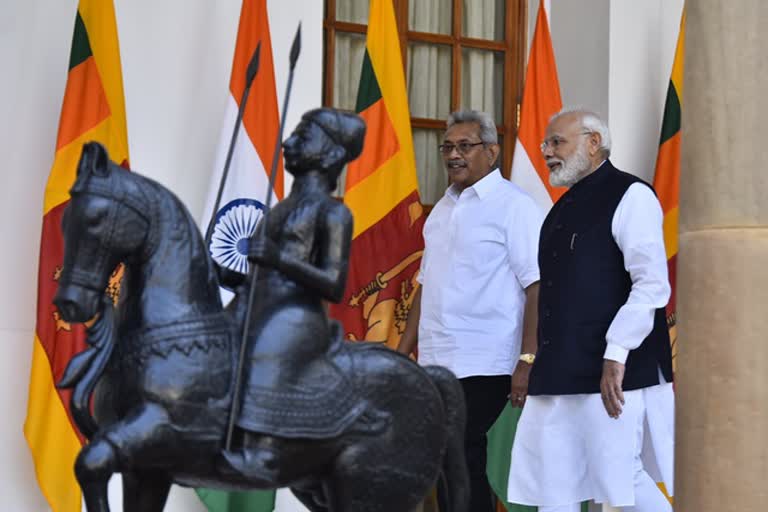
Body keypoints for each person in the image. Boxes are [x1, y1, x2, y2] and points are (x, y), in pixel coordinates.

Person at [506, 107, 675, 512]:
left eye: (556, 142)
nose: (545, 150)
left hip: (613, 371)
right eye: (545, 143)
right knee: (554, 483)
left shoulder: (631, 195)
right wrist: (532, 359)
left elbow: (651, 284)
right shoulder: (560, 208)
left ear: (593, 143)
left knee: (621, 478)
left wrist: (616, 353)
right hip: (559, 369)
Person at [397, 110, 543, 512]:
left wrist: (528, 359)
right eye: (447, 146)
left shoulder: (514, 207)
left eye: (465, 146)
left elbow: (537, 285)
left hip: (487, 361)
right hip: (437, 360)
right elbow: (425, 288)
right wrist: (400, 354)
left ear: (491, 152)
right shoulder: (442, 209)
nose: (453, 155)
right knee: (447, 458)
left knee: (460, 452)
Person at [231, 108, 369, 443]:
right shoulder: (279, 209)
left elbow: (334, 285)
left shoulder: (333, 212)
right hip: (258, 308)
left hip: (296, 318)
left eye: (302, 136)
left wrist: (279, 259)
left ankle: (264, 446)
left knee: (263, 354)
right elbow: (264, 275)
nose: (287, 142)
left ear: (332, 154)